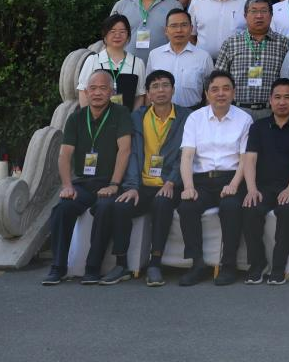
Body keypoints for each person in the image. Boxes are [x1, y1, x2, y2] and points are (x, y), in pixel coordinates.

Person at [43, 70, 132, 286]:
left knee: (105, 207)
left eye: (103, 88)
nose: (97, 93)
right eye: (93, 88)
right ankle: (58, 267)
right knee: (62, 208)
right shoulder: (76, 118)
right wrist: (67, 185)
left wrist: (114, 184)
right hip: (83, 183)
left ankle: (93, 268)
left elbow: (125, 150)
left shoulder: (120, 113)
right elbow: (64, 154)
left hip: (109, 183)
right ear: (86, 92)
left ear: (111, 92)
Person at [99, 70, 186, 286]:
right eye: (155, 86)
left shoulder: (186, 117)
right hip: (142, 185)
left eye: (165, 85)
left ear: (173, 90)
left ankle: (155, 264)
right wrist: (131, 186)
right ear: (147, 93)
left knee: (162, 203)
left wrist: (172, 181)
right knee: (121, 205)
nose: (160, 90)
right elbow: (132, 154)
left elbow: (185, 154)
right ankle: (121, 264)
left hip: (169, 184)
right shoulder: (137, 117)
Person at [175, 70, 252, 286]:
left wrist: (234, 184)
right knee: (187, 206)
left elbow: (245, 158)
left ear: (234, 93)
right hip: (201, 180)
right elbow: (187, 156)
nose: (221, 94)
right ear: (206, 94)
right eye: (215, 89)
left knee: (231, 207)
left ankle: (229, 265)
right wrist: (188, 186)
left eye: (226, 89)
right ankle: (197, 264)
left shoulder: (244, 119)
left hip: (232, 178)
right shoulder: (195, 118)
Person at [239, 77, 289, 285]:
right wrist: (252, 189)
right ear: (270, 100)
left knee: (287, 211)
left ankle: (279, 267)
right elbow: (250, 159)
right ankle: (257, 263)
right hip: (264, 186)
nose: (282, 102)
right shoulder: (258, 127)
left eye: (287, 97)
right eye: (277, 97)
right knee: (250, 209)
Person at [212, 0, 289, 116]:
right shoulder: (231, 43)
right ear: (245, 15)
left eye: (264, 11)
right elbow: (218, 78)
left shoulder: (283, 43)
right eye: (253, 11)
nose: (259, 16)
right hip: (236, 111)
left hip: (271, 112)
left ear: (271, 15)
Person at [77, 15, 147, 108]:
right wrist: (89, 115)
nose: (117, 35)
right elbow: (83, 91)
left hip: (126, 116)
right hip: (98, 116)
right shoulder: (93, 61)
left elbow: (140, 96)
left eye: (122, 32)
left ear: (128, 35)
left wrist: (132, 116)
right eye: (112, 31)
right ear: (105, 35)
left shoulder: (137, 63)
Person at [149, 8, 213, 108]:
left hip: (192, 112)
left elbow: (211, 90)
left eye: (184, 25)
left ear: (191, 28)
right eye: (173, 26)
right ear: (166, 30)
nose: (179, 30)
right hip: (160, 113)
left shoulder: (204, 57)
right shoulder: (154, 55)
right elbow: (148, 89)